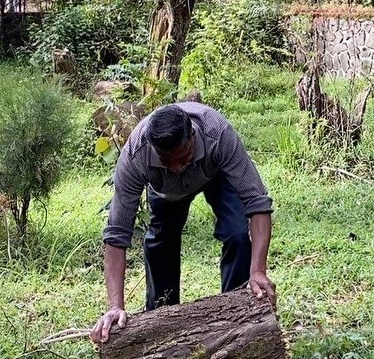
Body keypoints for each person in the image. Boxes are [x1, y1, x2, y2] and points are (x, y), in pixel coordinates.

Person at [90, 102, 276, 343]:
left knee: (238, 234)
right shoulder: (136, 155)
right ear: (153, 149)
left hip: (215, 174)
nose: (177, 168)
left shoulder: (217, 134)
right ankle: (162, 320)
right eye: (168, 162)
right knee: (160, 245)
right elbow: (116, 234)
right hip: (165, 191)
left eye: (183, 158)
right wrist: (115, 305)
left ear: (193, 137)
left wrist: (258, 270)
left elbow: (257, 202)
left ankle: (238, 309)